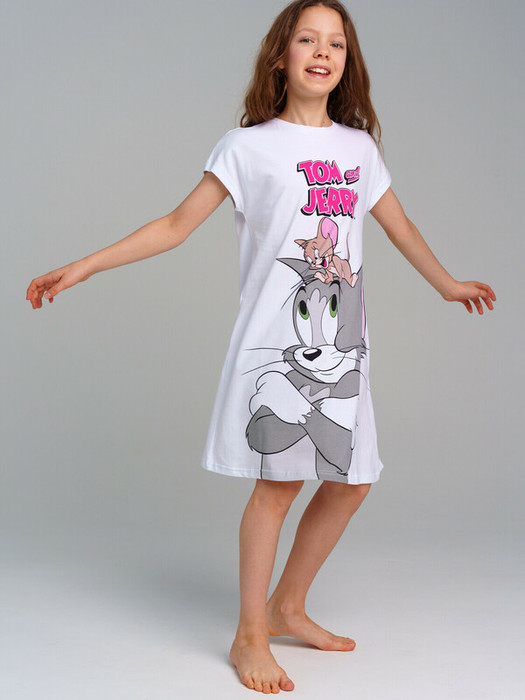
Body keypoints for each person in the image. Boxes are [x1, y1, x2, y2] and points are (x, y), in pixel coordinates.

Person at [26, 0, 496, 694]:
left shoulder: (358, 151)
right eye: (307, 39)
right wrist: (85, 266)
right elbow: (176, 224)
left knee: (352, 479)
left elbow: (399, 228)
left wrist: (446, 284)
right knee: (278, 485)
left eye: (336, 43)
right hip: (276, 342)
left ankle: (286, 608)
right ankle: (250, 633)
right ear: (281, 56)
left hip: (341, 344)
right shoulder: (246, 147)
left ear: (347, 63)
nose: (322, 51)